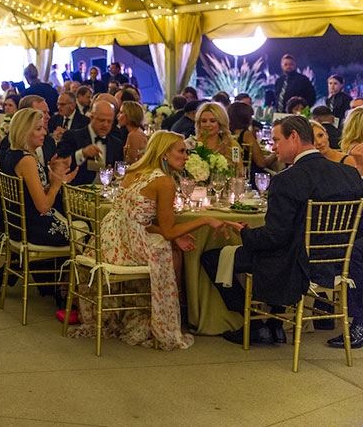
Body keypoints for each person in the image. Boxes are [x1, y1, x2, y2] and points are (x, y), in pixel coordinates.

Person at [203, 116, 363, 346]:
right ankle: (275, 326)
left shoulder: (287, 180)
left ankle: (256, 325)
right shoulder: (348, 174)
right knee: (280, 250)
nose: (273, 146)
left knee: (212, 258)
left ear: (294, 137)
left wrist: (244, 233)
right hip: (336, 263)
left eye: (277, 139)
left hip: (294, 266)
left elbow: (274, 237)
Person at [75, 131, 241, 350]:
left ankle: (161, 311)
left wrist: (174, 235)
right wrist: (206, 220)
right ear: (164, 154)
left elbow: (135, 220)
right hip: (127, 246)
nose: (186, 157)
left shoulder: (134, 170)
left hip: (108, 239)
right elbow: (168, 230)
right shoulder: (164, 182)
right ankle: (174, 316)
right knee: (167, 250)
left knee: (168, 244)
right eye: (181, 151)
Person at [0, 108, 77, 301]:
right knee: (86, 235)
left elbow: (32, 193)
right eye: (39, 129)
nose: (44, 133)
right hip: (33, 227)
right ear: (25, 131)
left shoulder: (13, 154)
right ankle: (66, 293)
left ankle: (60, 287)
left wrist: (55, 179)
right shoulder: (27, 160)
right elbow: (43, 207)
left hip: (18, 224)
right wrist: (57, 183)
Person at [55, 100, 125, 186]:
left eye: (109, 121)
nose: (105, 125)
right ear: (91, 118)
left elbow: (119, 173)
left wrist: (112, 174)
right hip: (76, 192)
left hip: (106, 194)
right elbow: (60, 164)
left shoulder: (117, 144)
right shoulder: (72, 136)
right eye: (101, 120)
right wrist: (82, 153)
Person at [228, 101, 276, 176]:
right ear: (245, 118)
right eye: (251, 116)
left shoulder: (227, 134)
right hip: (250, 175)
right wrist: (277, 152)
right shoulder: (246, 135)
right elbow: (261, 163)